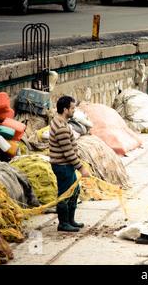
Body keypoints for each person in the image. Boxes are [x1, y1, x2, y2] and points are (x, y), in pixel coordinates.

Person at [49, 95, 90, 232]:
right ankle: (63, 223)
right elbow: (69, 153)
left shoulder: (58, 121)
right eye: (72, 108)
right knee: (65, 194)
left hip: (66, 166)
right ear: (65, 110)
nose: (74, 111)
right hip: (63, 166)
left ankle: (70, 220)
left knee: (75, 190)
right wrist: (82, 169)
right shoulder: (61, 128)